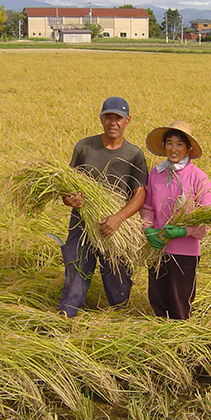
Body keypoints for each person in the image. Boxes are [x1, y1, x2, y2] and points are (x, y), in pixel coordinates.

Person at [58, 97, 148, 318]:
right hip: (82, 223)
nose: (113, 122)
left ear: (128, 120)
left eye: (118, 117)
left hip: (117, 227)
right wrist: (71, 200)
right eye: (108, 117)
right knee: (76, 274)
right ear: (101, 119)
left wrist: (118, 218)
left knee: (118, 279)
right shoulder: (84, 147)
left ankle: (120, 319)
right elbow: (67, 189)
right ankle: (65, 319)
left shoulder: (134, 154)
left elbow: (140, 194)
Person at [140, 121, 211, 320]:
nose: (174, 149)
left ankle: (180, 341)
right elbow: (147, 206)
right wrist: (148, 229)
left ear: (188, 148)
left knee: (179, 302)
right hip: (158, 247)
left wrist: (185, 231)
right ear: (163, 146)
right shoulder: (156, 173)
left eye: (180, 144)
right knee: (157, 297)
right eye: (170, 143)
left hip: (185, 252)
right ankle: (161, 338)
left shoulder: (198, 177)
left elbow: (207, 217)